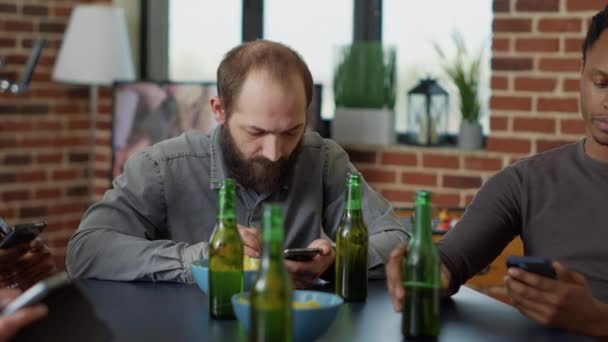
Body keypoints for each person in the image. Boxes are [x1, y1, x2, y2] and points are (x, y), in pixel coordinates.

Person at [66, 40, 408, 288]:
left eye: (292, 131)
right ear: (219, 110)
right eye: (256, 132)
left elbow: (399, 239)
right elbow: (86, 249)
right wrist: (200, 258)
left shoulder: (323, 160)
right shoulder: (161, 167)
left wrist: (337, 260)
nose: (275, 152)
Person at [386, 6, 608, 337]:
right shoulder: (527, 181)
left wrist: (597, 319)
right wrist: (426, 273)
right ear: (582, 74)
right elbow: (450, 259)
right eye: (601, 82)